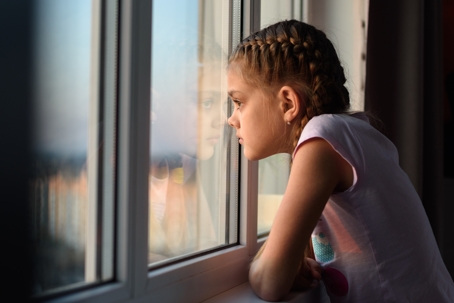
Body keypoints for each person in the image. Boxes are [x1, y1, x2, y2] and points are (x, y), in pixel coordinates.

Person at [227, 19, 454, 302]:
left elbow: (270, 282)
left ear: (288, 103)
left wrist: (258, 268)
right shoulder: (352, 133)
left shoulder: (323, 140)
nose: (231, 119)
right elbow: (315, 251)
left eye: (238, 102)